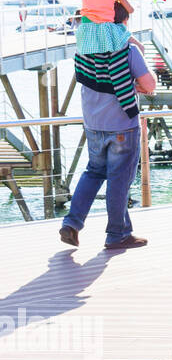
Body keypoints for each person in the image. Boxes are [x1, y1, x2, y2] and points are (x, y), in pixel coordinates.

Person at [59, 36, 156, 250]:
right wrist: (137, 48)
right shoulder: (128, 50)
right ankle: (117, 234)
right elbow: (150, 85)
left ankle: (71, 223)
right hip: (122, 125)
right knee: (119, 181)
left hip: (93, 124)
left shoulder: (84, 47)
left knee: (93, 172)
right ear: (124, 23)